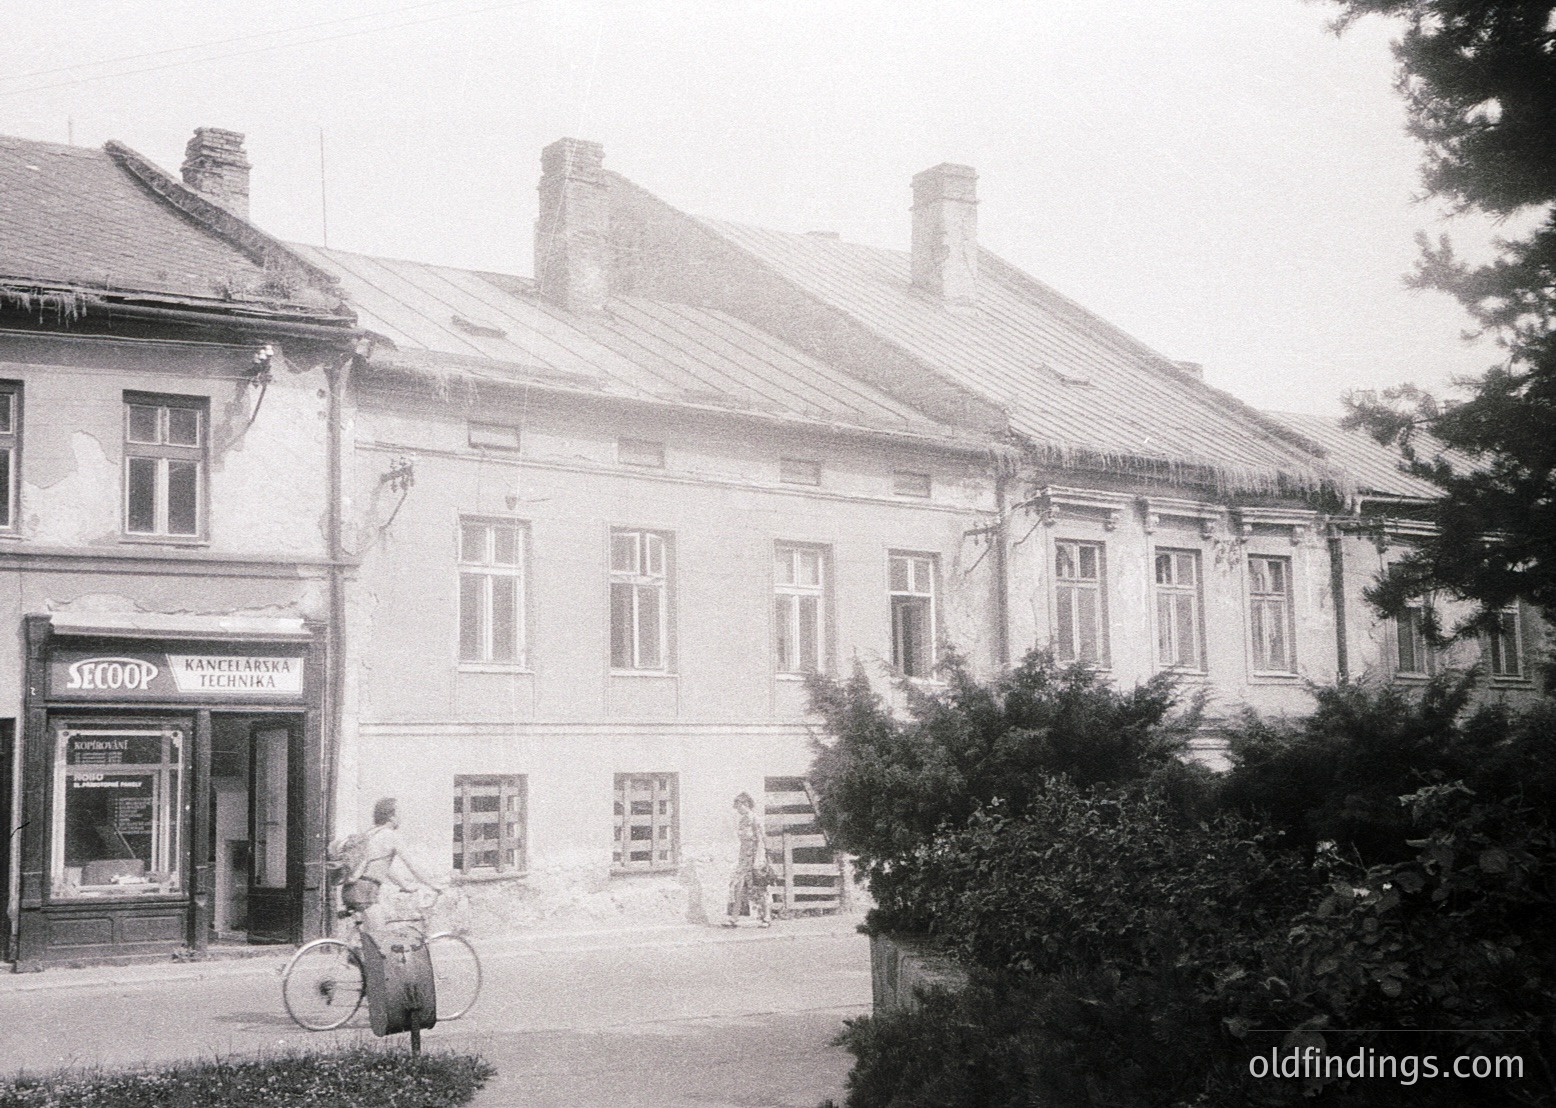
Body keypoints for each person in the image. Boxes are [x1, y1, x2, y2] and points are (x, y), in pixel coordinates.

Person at [347, 797, 445, 936]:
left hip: (352, 888)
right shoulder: (390, 836)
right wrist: (434, 884)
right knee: (380, 939)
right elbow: (413, 866)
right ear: (391, 817)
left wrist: (404, 885)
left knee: (372, 936)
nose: (401, 817)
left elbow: (383, 868)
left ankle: (356, 955)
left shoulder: (370, 833)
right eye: (399, 813)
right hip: (366, 892)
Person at [724, 791, 772, 928]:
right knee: (737, 887)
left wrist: (759, 859)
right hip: (744, 859)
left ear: (746, 805)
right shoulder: (743, 820)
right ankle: (734, 918)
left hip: (755, 858)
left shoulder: (755, 819)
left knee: (760, 888)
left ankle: (767, 917)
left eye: (739, 806)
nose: (737, 809)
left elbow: (762, 839)